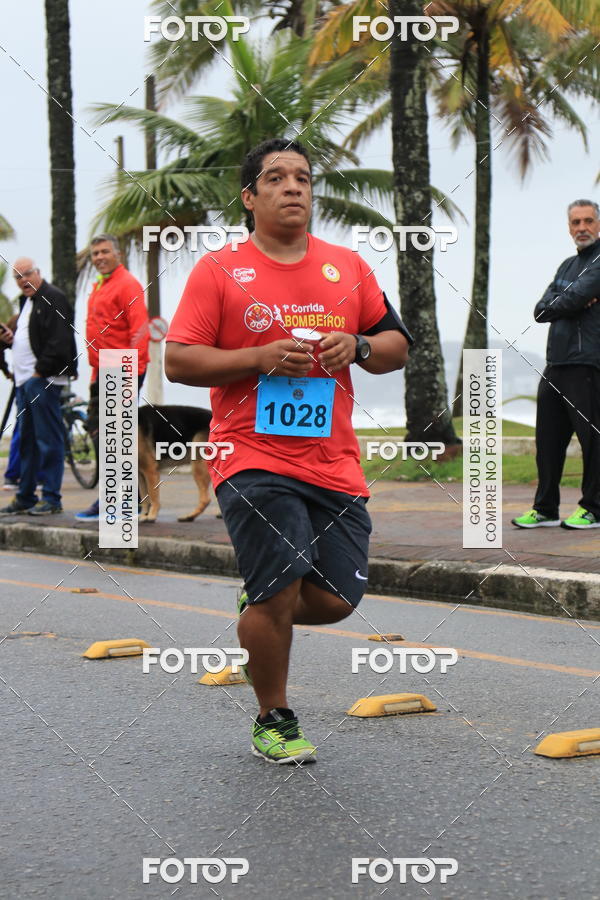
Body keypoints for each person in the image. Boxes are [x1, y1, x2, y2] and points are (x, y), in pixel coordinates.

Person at [165, 138, 412, 764]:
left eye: (302, 178)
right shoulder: (219, 271)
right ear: (250, 198)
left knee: (335, 598)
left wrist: (354, 346)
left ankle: (259, 606)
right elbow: (179, 359)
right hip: (249, 455)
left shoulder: (348, 267)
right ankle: (274, 716)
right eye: (276, 178)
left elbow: (395, 347)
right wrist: (257, 356)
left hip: (333, 459)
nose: (293, 187)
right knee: (280, 582)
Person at [513, 199, 600, 530]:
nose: (582, 228)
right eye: (575, 222)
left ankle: (593, 509)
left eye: (588, 221)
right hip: (556, 364)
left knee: (592, 441)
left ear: (599, 224)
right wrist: (571, 301)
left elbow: (570, 299)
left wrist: (566, 301)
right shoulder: (566, 265)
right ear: (569, 227)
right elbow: (540, 310)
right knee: (547, 441)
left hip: (587, 363)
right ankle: (545, 508)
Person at [75, 234, 149, 521]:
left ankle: (120, 503)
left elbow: (140, 331)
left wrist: (131, 372)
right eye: (95, 253)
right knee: (110, 440)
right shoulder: (100, 285)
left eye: (105, 251)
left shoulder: (127, 284)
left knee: (118, 440)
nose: (99, 257)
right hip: (103, 369)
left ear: (117, 254)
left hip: (122, 368)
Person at [0, 259, 77, 516]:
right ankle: (25, 497)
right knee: (27, 444)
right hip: (25, 382)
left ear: (38, 273)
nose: (23, 280)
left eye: (27, 274)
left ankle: (52, 498)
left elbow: (60, 341)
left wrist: (38, 373)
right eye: (18, 277)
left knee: (48, 440)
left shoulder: (53, 297)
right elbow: (32, 338)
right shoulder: (27, 303)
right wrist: (11, 341)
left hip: (43, 381)